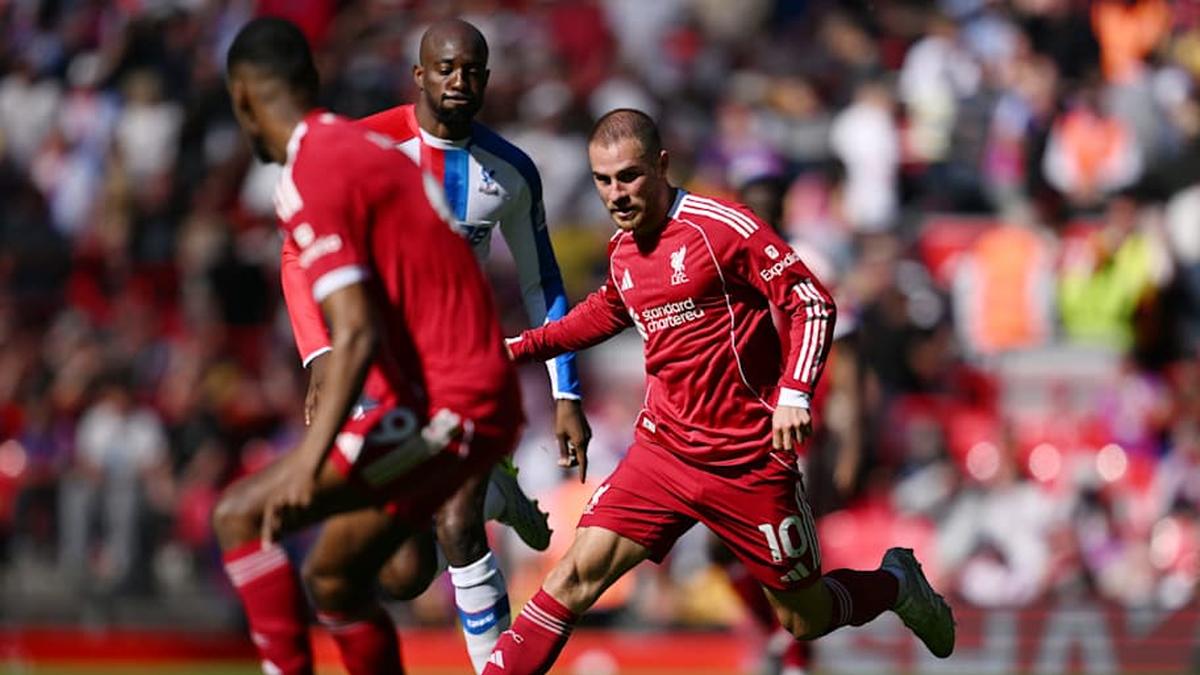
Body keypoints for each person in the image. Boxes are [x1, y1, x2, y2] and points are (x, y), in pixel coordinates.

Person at [483, 110, 955, 675]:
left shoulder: (723, 227)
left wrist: (795, 394)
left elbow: (812, 303)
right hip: (663, 454)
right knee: (572, 578)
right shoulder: (624, 250)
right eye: (603, 181)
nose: (617, 194)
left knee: (804, 616)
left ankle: (896, 582)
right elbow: (600, 315)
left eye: (629, 176)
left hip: (747, 460)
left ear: (661, 165)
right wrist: (507, 349)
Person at [211, 18, 522, 675]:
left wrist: (310, 458)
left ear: (242, 98)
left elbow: (353, 331)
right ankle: (484, 486)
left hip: (451, 401)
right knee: (344, 577)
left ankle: (481, 487)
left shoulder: (315, 169)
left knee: (241, 514)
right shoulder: (362, 150)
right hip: (452, 391)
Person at [279, 18, 591, 672]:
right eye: (445, 69)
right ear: (418, 75)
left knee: (457, 529)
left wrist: (566, 392)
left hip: (467, 374)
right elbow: (296, 252)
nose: (459, 82)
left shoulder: (509, 170)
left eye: (472, 71)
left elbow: (543, 282)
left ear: (487, 78)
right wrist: (319, 354)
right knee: (401, 572)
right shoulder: (363, 147)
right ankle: (498, 493)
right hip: (380, 377)